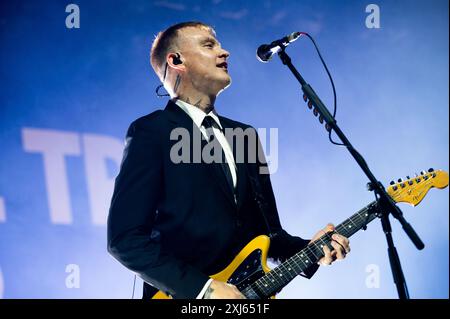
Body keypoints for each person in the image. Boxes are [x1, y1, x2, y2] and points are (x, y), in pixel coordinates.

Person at [107, 21, 350, 299]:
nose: (225, 53)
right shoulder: (151, 132)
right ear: (175, 60)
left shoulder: (245, 135)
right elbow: (125, 239)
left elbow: (269, 236)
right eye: (209, 45)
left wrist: (311, 249)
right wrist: (203, 290)